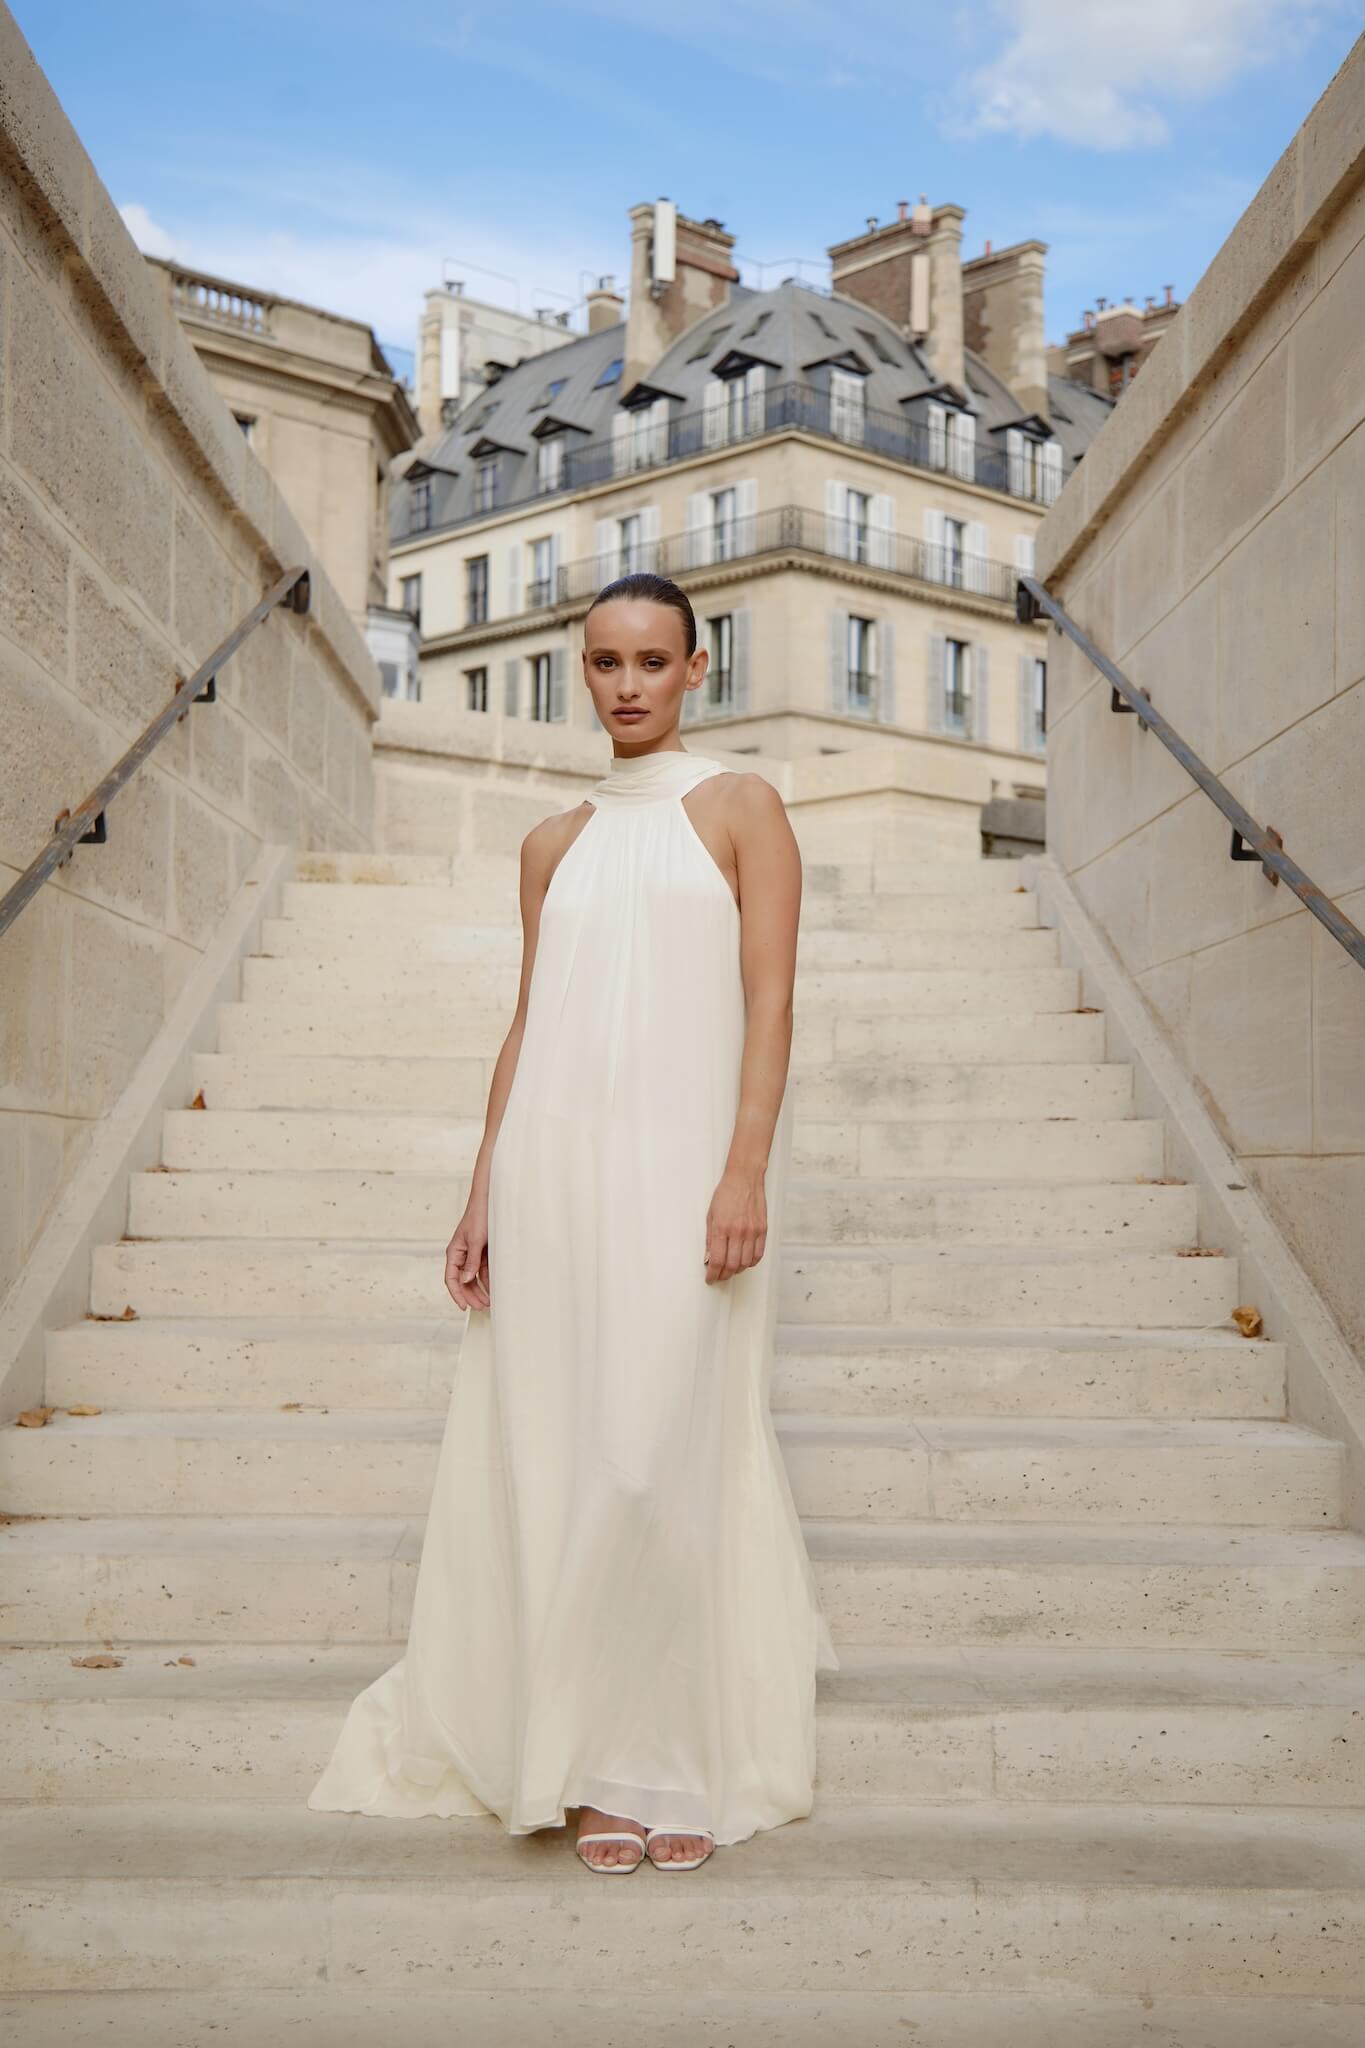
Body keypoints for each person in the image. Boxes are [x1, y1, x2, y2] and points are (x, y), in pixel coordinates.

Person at [307, 571, 838, 1873]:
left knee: (653, 1456)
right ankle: (597, 1766)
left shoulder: (741, 810)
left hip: (682, 1175)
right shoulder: (552, 841)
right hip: (551, 1175)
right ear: (580, 671)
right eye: (605, 662)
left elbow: (770, 1005)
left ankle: (675, 1754)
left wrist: (743, 1171)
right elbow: (530, 1020)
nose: (627, 685)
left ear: (695, 670)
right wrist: (479, 1189)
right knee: (562, 1450)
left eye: (652, 661)